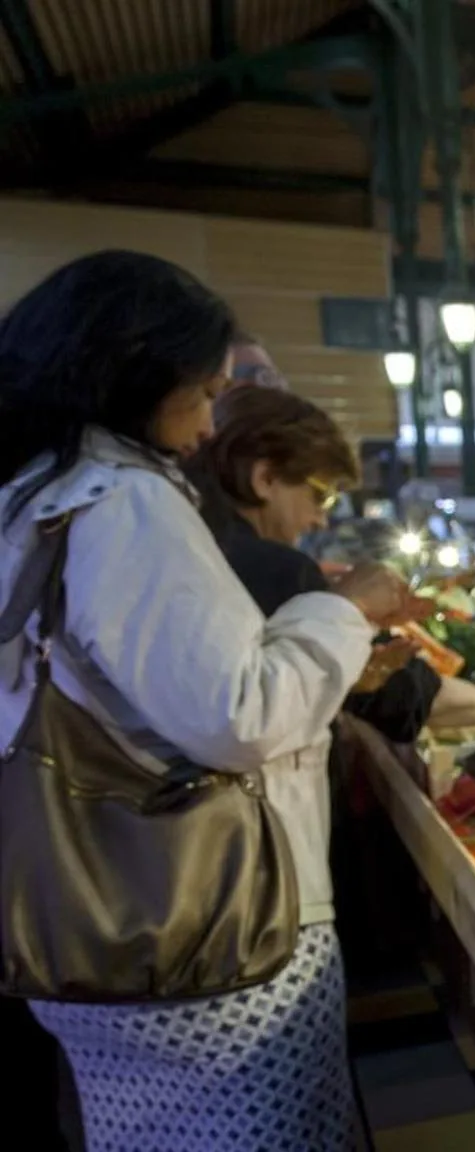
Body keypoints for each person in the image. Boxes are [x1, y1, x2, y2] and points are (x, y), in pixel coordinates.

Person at [0, 250, 417, 1152]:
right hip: (205, 937)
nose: (203, 426)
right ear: (135, 375)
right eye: (203, 392)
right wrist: (345, 612)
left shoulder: (30, 499)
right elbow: (238, 716)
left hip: (90, 925)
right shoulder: (123, 504)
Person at [184, 385, 475, 742]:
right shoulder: (276, 569)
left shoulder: (188, 542)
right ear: (265, 478)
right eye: (322, 497)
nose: (320, 519)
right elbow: (397, 694)